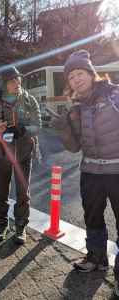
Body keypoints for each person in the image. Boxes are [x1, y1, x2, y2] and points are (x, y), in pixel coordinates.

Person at [50, 50, 119, 292]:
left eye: (80, 73)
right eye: (71, 77)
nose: (76, 80)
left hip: (117, 170)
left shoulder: (114, 95)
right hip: (90, 172)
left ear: (91, 74)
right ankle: (96, 259)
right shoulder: (75, 109)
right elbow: (73, 147)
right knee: (92, 217)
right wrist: (62, 129)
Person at [0, 66, 41, 244]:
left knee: (23, 192)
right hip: (2, 154)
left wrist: (23, 129)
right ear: (4, 84)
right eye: (12, 80)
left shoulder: (30, 101)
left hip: (24, 153)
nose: (17, 83)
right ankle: (2, 224)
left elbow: (38, 125)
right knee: (1, 191)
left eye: (18, 79)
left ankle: (21, 226)